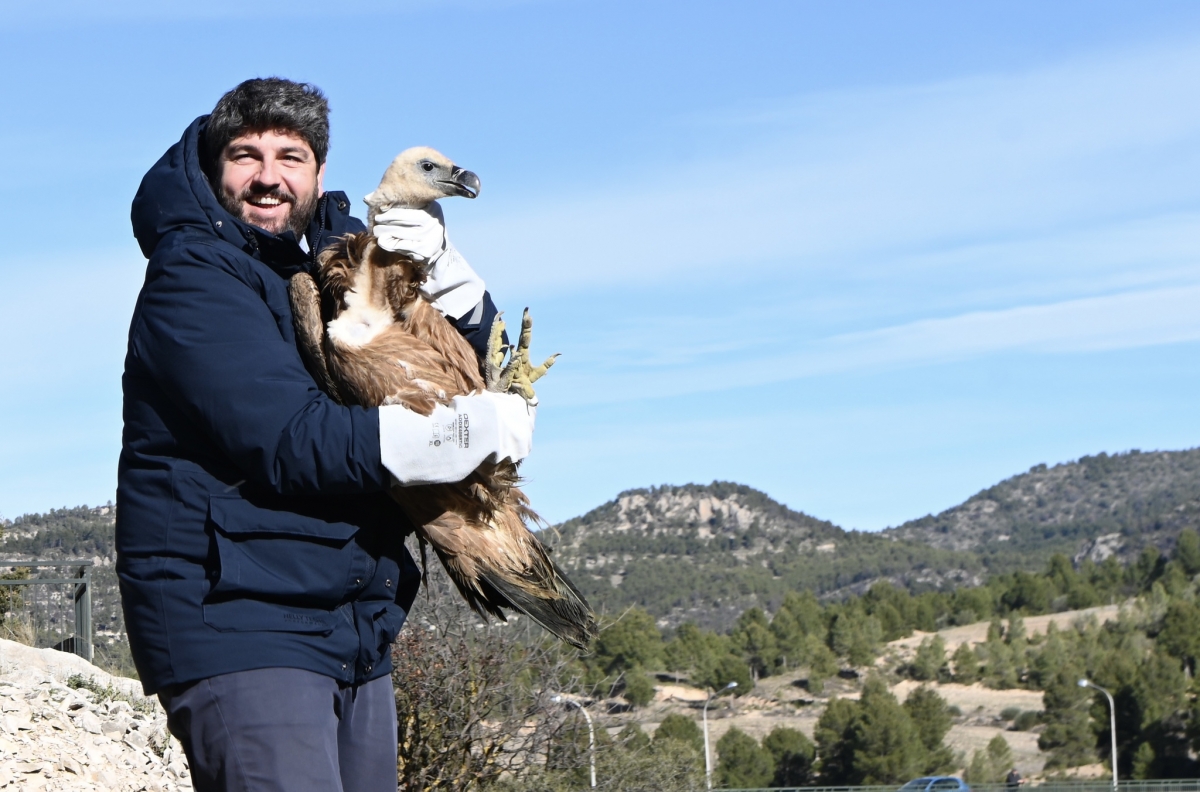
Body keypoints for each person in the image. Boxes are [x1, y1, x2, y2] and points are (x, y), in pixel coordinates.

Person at [116, 77, 534, 792]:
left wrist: (452, 284)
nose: (268, 177)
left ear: (319, 174)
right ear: (215, 168)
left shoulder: (332, 261)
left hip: (351, 628)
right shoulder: (194, 277)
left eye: (291, 156)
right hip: (240, 624)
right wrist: (464, 436)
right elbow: (288, 441)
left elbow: (440, 355)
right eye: (245, 156)